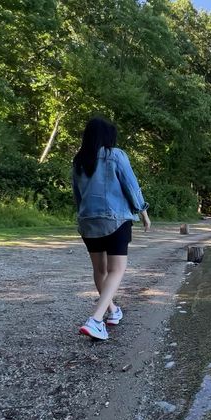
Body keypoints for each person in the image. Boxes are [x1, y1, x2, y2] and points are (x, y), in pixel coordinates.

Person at [71, 117, 151, 340]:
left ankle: (113, 311)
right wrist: (143, 212)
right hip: (115, 220)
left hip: (88, 221)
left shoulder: (78, 161)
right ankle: (96, 320)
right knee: (116, 270)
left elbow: (77, 195)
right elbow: (131, 186)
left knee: (100, 270)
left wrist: (83, 217)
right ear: (108, 137)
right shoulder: (115, 155)